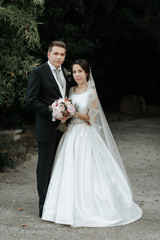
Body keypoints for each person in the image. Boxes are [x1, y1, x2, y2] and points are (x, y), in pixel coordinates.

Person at [42, 59, 143, 227]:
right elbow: (67, 112)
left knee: (88, 170)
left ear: (87, 73)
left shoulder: (92, 93)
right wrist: (63, 113)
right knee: (68, 170)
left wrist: (73, 113)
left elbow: (92, 119)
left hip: (85, 134)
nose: (77, 75)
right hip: (71, 134)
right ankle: (63, 209)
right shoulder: (71, 90)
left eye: (80, 72)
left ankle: (91, 207)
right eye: (74, 72)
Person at [26, 41, 72, 218]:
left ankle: (58, 203)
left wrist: (68, 112)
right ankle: (44, 207)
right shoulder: (38, 73)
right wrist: (53, 113)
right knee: (44, 167)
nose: (59, 57)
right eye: (56, 54)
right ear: (48, 54)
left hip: (65, 129)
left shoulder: (67, 73)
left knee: (61, 166)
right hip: (46, 127)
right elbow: (31, 100)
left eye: (62, 54)